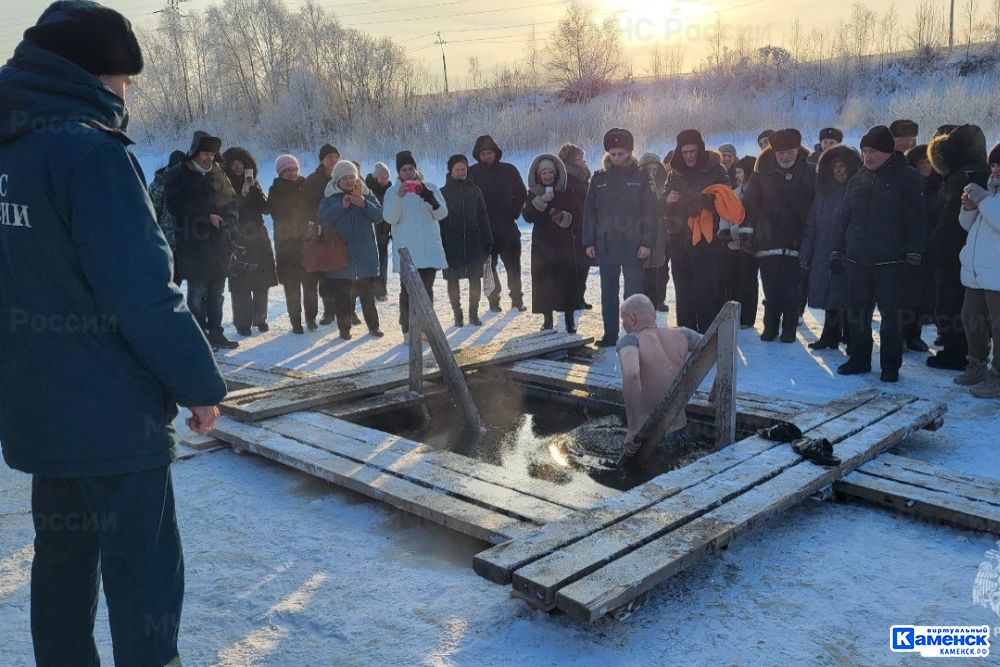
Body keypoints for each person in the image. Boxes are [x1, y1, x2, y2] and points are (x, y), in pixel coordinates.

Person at [0, 4, 227, 664]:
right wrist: (198, 382)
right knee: (145, 580)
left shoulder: (11, 148)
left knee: (62, 574)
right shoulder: (90, 153)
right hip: (115, 421)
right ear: (94, 74)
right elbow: (140, 290)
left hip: (41, 414)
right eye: (124, 80)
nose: (125, 93)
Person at [832, 126, 926, 382]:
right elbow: (844, 220)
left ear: (887, 151)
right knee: (857, 314)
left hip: (892, 262)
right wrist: (836, 250)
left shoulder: (908, 177)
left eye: (872, 151)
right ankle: (859, 359)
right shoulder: (857, 179)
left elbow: (918, 220)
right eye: (864, 151)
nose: (867, 157)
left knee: (891, 318)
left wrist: (915, 253)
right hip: (857, 260)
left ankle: (890, 365)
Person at [165, 130, 240, 350]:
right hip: (193, 243)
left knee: (217, 293)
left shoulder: (217, 172)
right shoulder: (177, 174)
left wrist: (230, 219)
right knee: (197, 292)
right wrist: (206, 217)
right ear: (195, 152)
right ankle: (199, 337)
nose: (209, 158)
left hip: (219, 244)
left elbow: (231, 200)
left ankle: (216, 333)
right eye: (205, 153)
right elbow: (174, 205)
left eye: (212, 154)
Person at [583, 128, 657, 347]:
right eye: (613, 154)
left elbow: (651, 212)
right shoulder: (599, 179)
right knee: (608, 293)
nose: (617, 158)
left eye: (621, 154)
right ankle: (610, 334)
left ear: (630, 153)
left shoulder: (642, 177)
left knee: (633, 293)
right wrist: (589, 241)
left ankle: (635, 335)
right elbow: (589, 212)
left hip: (634, 245)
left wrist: (647, 242)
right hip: (606, 245)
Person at [926, 124, 990, 370]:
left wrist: (936, 247)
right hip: (972, 252)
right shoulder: (981, 171)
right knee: (967, 305)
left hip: (956, 252)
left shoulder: (962, 178)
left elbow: (952, 220)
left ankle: (955, 352)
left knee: (951, 302)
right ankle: (963, 349)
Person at [743, 128, 816, 343]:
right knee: (771, 287)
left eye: (789, 152)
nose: (785, 157)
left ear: (797, 150)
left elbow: (816, 203)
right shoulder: (761, 170)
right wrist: (749, 232)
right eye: (780, 153)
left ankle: (790, 329)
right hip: (768, 239)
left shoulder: (809, 169)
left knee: (793, 289)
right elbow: (749, 203)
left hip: (798, 238)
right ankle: (771, 326)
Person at [616, 295, 702, 472]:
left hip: (652, 441)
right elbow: (721, 341)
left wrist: (632, 429)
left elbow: (632, 375)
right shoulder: (681, 334)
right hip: (682, 432)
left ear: (632, 318)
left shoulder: (630, 340)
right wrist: (718, 384)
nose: (623, 326)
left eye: (623, 320)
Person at [663, 129, 730, 334]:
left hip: (707, 243)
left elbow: (727, 198)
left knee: (708, 289)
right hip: (679, 240)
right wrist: (667, 200)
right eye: (685, 152)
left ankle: (708, 335)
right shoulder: (674, 172)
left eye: (693, 151)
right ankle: (686, 333)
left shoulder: (716, 170)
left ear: (700, 150)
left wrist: (704, 202)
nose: (689, 156)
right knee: (683, 289)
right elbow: (662, 202)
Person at [800, 145, 862, 349]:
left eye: (843, 165)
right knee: (830, 296)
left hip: (850, 252)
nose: (839, 170)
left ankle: (852, 338)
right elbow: (811, 225)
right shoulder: (824, 194)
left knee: (849, 297)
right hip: (823, 251)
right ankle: (830, 335)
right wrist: (806, 252)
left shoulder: (859, 190)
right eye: (835, 165)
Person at [383, 150, 449, 334]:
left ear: (415, 169)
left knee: (426, 292)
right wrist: (398, 197)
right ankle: (407, 330)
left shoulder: (430, 187)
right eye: (404, 169)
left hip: (428, 249)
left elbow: (442, 214)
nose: (408, 172)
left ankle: (426, 329)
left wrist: (430, 198)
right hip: (407, 253)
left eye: (410, 168)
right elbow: (389, 218)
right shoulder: (392, 191)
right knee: (408, 293)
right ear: (398, 172)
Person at [317, 160, 384, 339]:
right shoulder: (330, 197)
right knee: (342, 299)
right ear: (337, 181)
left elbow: (379, 216)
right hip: (340, 257)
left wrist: (363, 203)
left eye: (351, 177)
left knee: (368, 297)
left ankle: (374, 327)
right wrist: (342, 206)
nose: (348, 181)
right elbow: (323, 218)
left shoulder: (365, 193)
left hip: (365, 256)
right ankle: (344, 330)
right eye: (344, 178)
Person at [954, 143, 1000, 398]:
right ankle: (977, 364)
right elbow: (967, 226)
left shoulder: (990, 197)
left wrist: (983, 200)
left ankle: (998, 375)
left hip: (997, 274)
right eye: (993, 164)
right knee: (970, 318)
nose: (996, 170)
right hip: (977, 271)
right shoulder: (991, 193)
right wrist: (969, 209)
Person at [524, 153, 584, 333]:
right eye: (544, 173)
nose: (548, 176)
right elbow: (527, 216)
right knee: (544, 281)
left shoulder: (566, 191)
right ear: (538, 176)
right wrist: (539, 202)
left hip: (563, 244)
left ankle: (569, 319)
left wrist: (564, 217)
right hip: (542, 244)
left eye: (551, 172)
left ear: (556, 173)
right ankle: (547, 319)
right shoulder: (533, 193)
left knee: (566, 281)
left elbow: (578, 214)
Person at [222, 147, 278, 336]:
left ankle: (260, 319)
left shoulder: (254, 183)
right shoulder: (222, 185)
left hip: (258, 235)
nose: (238, 167)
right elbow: (227, 210)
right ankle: (242, 323)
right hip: (237, 236)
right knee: (240, 284)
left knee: (262, 280)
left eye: (241, 163)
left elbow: (266, 209)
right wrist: (241, 196)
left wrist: (255, 190)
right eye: (234, 163)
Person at [468, 135, 527, 311]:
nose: (486, 156)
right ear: (478, 155)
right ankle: (494, 301)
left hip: (507, 227)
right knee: (489, 268)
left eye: (489, 153)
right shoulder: (471, 173)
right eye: (483, 153)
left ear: (496, 153)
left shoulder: (509, 170)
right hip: (484, 230)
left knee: (513, 267)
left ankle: (517, 300)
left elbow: (521, 193)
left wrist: (514, 213)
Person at [268, 154, 320, 334]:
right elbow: (277, 214)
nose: (291, 173)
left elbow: (315, 209)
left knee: (311, 285)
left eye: (294, 169)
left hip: (307, 243)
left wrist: (311, 224)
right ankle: (296, 322)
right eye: (287, 170)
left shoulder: (306, 186)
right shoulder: (275, 190)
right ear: (280, 173)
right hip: (287, 246)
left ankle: (311, 318)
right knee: (292, 287)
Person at [439, 154, 493, 327]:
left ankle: (474, 313)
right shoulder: (443, 192)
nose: (461, 172)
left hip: (474, 242)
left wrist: (488, 239)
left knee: (475, 279)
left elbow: (483, 215)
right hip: (451, 244)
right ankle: (457, 314)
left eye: (463, 169)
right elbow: (439, 221)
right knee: (452, 280)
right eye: (457, 169)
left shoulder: (475, 190)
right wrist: (440, 243)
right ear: (451, 171)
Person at [905, 144, 945, 351]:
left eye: (929, 161)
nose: (926, 166)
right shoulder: (907, 185)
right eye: (922, 162)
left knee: (924, 294)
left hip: (931, 245)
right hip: (908, 246)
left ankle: (914, 334)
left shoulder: (939, 185)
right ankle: (901, 335)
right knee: (905, 294)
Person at [305, 143, 340, 324]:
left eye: (335, 157)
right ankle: (319, 314)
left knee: (337, 273)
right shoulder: (312, 180)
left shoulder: (342, 176)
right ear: (321, 160)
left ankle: (335, 311)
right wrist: (316, 221)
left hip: (339, 231)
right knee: (321, 274)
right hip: (319, 231)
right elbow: (307, 205)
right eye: (329, 157)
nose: (333, 160)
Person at [723, 155, 759, 328]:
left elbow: (750, 220)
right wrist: (722, 230)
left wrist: (731, 232)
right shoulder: (734, 192)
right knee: (732, 280)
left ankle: (747, 317)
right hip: (731, 245)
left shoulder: (755, 193)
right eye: (736, 172)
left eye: (739, 172)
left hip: (748, 245)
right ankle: (733, 314)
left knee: (748, 281)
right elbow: (724, 213)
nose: (736, 176)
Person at [559, 142, 595, 310]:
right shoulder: (567, 178)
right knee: (573, 265)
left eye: (582, 158)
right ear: (571, 161)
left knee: (584, 264)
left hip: (585, 225)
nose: (583, 161)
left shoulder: (583, 177)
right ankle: (572, 298)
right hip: (572, 226)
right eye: (579, 158)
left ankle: (579, 297)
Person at [638, 152, 670, 313]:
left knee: (659, 268)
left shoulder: (664, 185)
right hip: (642, 229)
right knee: (642, 268)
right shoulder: (638, 185)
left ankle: (658, 299)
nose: (651, 172)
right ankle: (643, 301)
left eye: (654, 169)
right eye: (648, 169)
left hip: (660, 230)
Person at [365, 161, 393, 301]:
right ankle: (368, 290)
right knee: (370, 262)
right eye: (382, 177)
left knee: (382, 261)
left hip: (384, 230)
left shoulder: (391, 190)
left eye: (386, 177)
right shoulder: (367, 189)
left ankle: (381, 291)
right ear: (375, 177)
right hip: (370, 230)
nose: (384, 179)